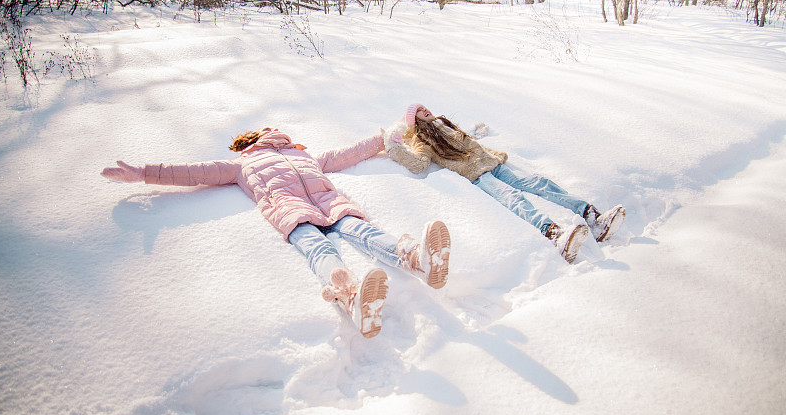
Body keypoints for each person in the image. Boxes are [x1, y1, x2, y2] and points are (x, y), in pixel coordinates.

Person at [102, 128, 451, 338]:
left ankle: (418, 260)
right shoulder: (241, 165)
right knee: (322, 248)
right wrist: (145, 173)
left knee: (359, 231)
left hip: (330, 203)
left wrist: (382, 137)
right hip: (291, 211)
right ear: (254, 141)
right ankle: (350, 295)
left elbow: (348, 154)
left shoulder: (304, 156)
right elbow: (195, 173)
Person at [382, 104, 624, 263]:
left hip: (493, 164)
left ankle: (593, 217)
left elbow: (468, 144)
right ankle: (555, 234)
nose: (425, 109)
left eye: (424, 106)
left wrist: (485, 144)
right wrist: (395, 149)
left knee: (540, 184)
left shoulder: (444, 126)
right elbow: (420, 164)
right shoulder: (420, 138)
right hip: (478, 175)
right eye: (419, 111)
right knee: (514, 199)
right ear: (415, 121)